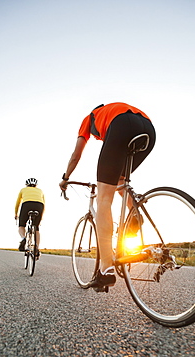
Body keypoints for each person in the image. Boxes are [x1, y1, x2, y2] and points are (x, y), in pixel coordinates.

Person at [59, 102, 156, 290]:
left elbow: (76, 154)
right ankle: (134, 213)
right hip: (148, 129)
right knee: (120, 182)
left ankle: (106, 270)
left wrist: (65, 178)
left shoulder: (89, 118)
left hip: (121, 125)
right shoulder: (111, 110)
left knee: (104, 198)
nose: (95, 137)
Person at [15, 178, 45, 256]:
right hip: (39, 205)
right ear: (36, 185)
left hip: (26, 205)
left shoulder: (23, 190)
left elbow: (17, 203)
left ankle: (23, 238)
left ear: (26, 185)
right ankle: (37, 248)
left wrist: (16, 214)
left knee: (21, 225)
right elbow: (44, 204)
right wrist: (41, 217)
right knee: (36, 228)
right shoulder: (40, 191)